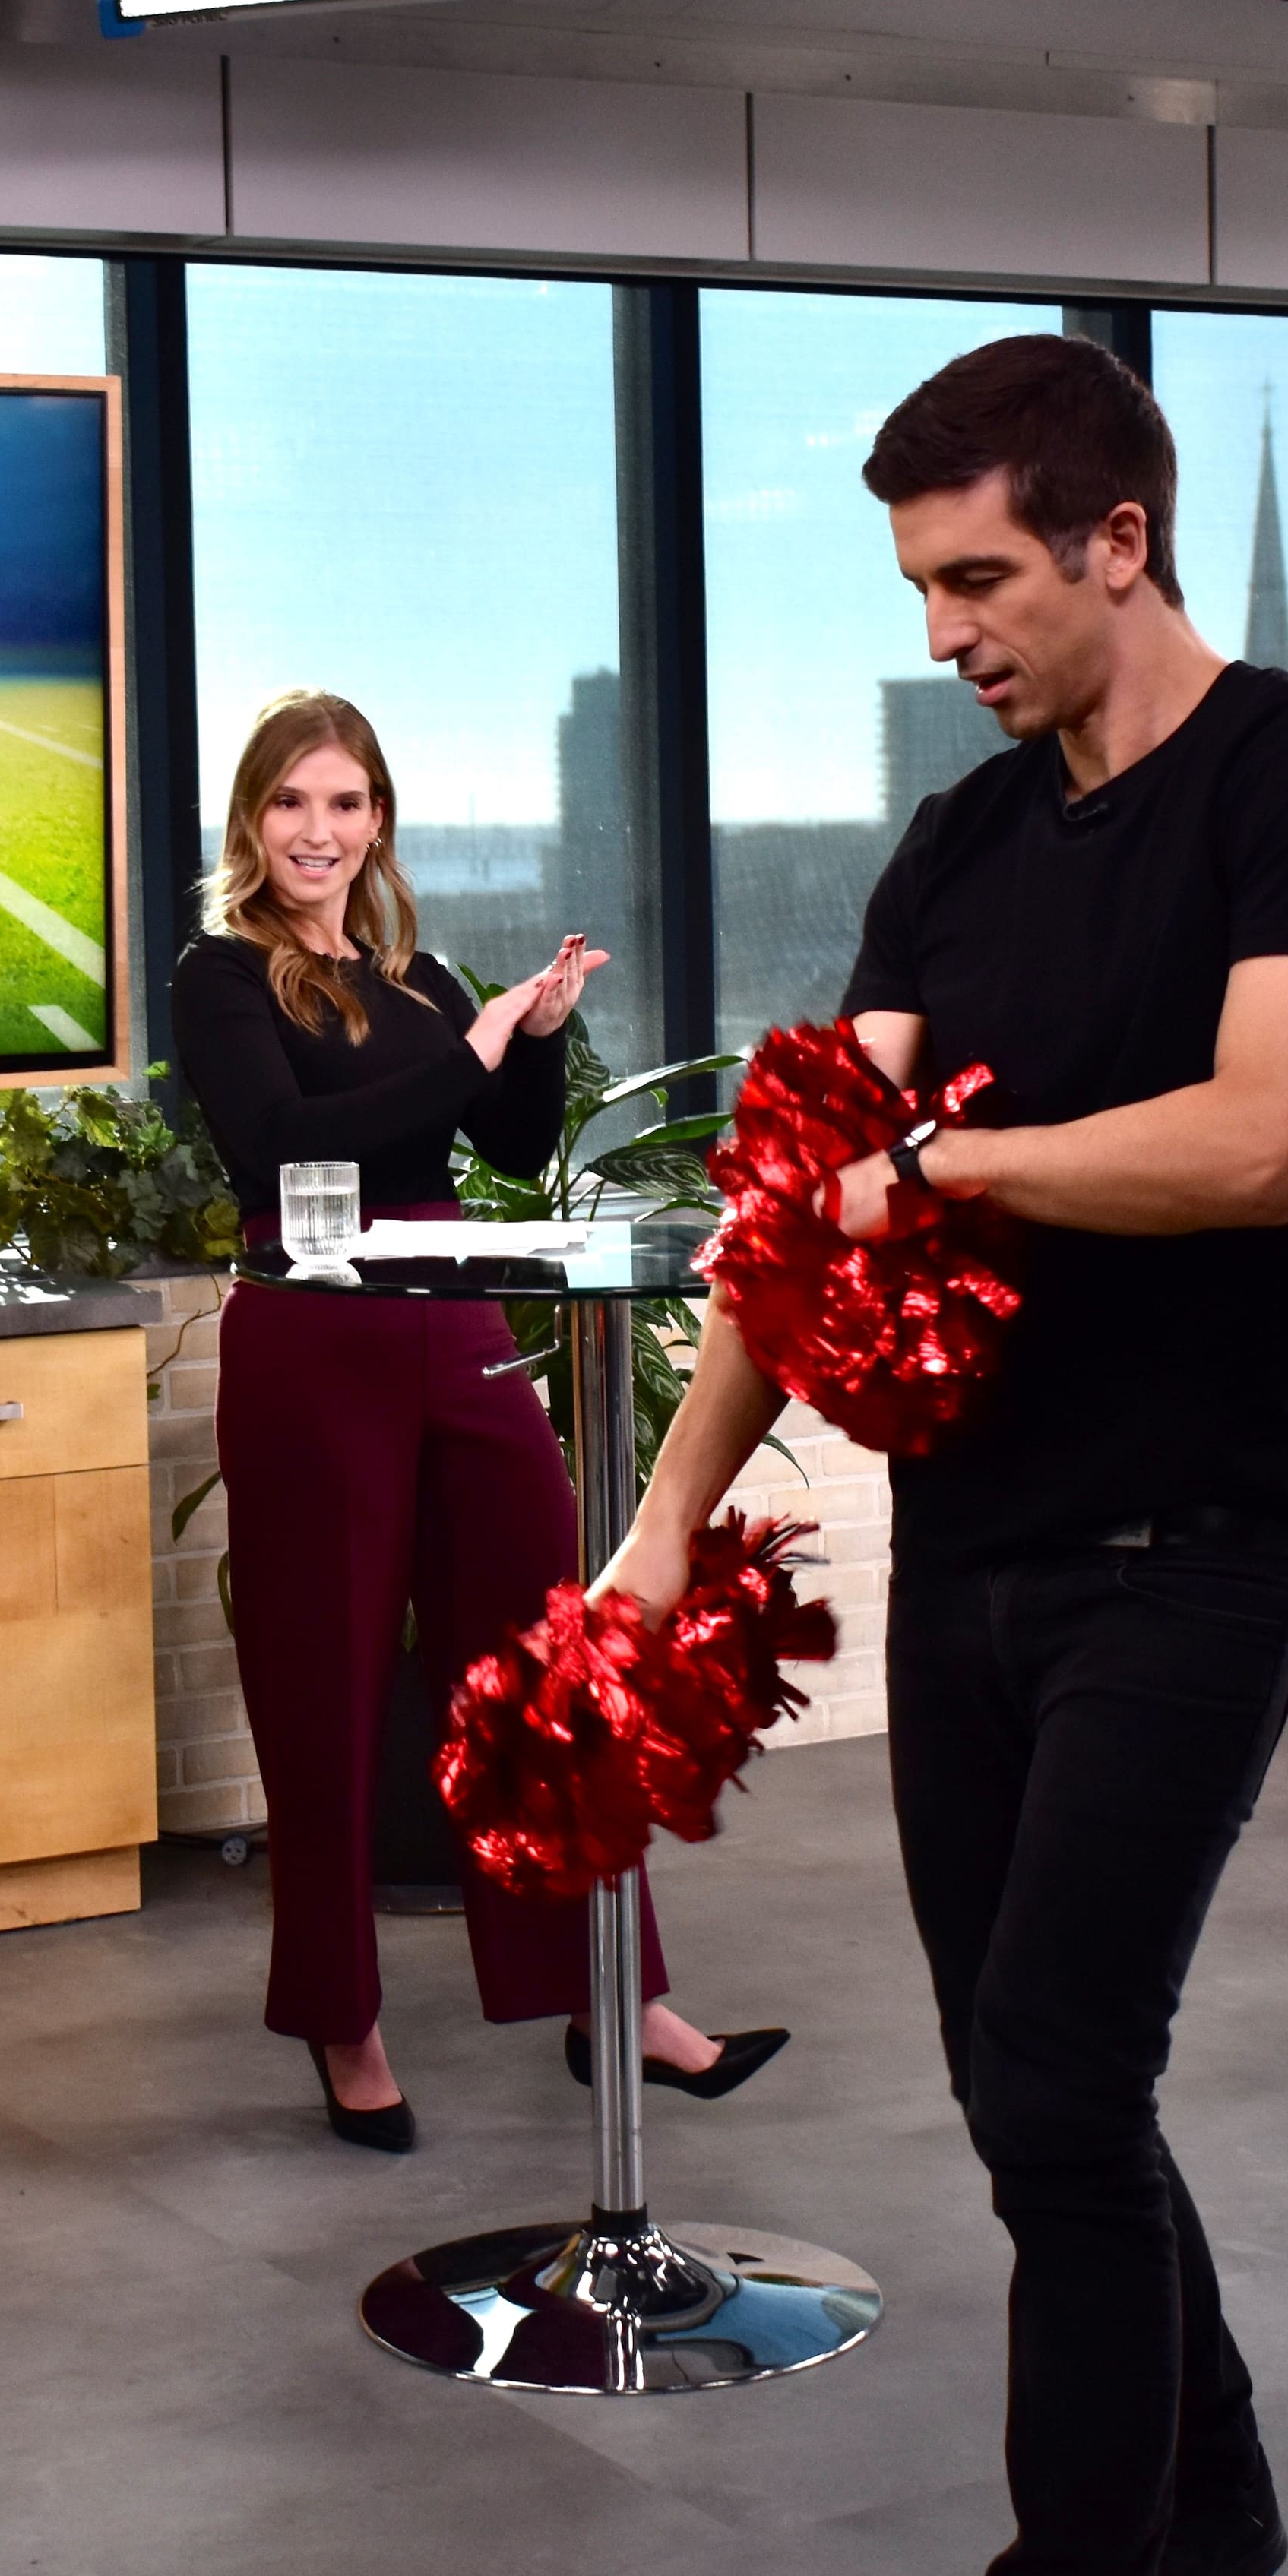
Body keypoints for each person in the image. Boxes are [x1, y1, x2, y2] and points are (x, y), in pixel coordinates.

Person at [600, 339, 1288, 2576]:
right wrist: (664, 1522)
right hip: (969, 1548)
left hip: (1201, 1539)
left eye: (978, 579)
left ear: (1117, 541)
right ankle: (1212, 2488)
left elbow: (1262, 1138)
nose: (946, 631)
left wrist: (945, 1164)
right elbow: (802, 1210)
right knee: (1029, 2083)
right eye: (920, 590)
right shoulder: (957, 847)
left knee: (1061, 2070)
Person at [172, 689, 786, 2152]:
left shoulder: (421, 973)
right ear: (252, 821)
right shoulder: (221, 973)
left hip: (455, 1329)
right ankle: (343, 2019)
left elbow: (503, 1139)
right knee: (322, 1688)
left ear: (378, 819)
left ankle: (609, 1996)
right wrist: (477, 1043)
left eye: (344, 802)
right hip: (312, 1339)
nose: (317, 831)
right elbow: (288, 1142)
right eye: (289, 802)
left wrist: (540, 1036)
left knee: (542, 1665)